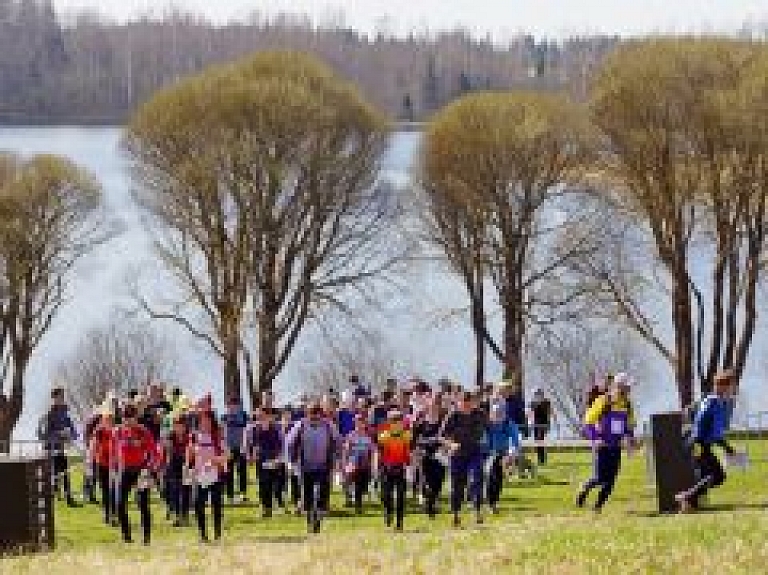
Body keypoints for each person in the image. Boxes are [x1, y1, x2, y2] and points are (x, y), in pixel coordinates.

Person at [676, 371, 737, 512]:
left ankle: (689, 501)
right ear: (724, 386)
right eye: (732, 386)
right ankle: (687, 498)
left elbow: (691, 416)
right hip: (699, 444)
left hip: (696, 442)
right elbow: (715, 433)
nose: (733, 390)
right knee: (714, 475)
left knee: (716, 476)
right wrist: (727, 448)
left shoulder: (707, 399)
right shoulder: (716, 403)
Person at [576, 376, 635, 513]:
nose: (628, 390)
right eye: (626, 387)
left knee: (611, 480)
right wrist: (595, 438)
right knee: (600, 477)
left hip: (616, 446)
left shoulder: (627, 404)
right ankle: (585, 488)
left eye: (629, 387)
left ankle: (597, 507)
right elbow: (588, 422)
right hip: (602, 446)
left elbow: (629, 426)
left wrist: (630, 441)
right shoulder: (603, 400)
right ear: (617, 386)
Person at [286, 401, 340, 534]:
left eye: (318, 416)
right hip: (305, 466)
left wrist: (337, 460)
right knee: (307, 496)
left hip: (324, 466)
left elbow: (338, 442)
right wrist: (290, 462)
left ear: (321, 415)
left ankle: (319, 517)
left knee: (323, 495)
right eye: (312, 416)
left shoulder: (328, 425)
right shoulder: (301, 425)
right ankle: (310, 520)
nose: (315, 419)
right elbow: (289, 443)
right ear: (307, 415)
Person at [440, 391, 489, 527]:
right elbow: (442, 436)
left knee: (477, 478)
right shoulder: (453, 416)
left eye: (470, 403)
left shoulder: (480, 414)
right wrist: (451, 444)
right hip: (458, 454)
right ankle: (456, 514)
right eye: (464, 403)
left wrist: (487, 442)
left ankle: (478, 512)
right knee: (458, 485)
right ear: (459, 403)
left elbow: (489, 429)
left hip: (475, 452)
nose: (467, 406)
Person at [112, 403, 157, 544]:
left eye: (131, 417)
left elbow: (154, 452)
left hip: (141, 470)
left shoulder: (144, 431)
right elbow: (114, 450)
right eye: (126, 417)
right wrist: (114, 465)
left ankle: (146, 538)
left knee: (143, 504)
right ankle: (127, 537)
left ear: (136, 417)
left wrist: (149, 468)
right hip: (124, 470)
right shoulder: (118, 432)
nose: (128, 420)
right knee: (120, 504)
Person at [188, 409, 228, 542]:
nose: (204, 423)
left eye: (207, 420)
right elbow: (189, 454)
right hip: (200, 475)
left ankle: (217, 533)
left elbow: (227, 455)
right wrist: (189, 465)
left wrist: (216, 460)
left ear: (212, 421)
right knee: (198, 503)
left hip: (215, 473)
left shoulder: (217, 436)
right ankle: (203, 535)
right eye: (202, 420)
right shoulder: (194, 436)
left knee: (216, 504)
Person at [37, 388, 79, 507]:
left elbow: (74, 432)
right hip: (50, 449)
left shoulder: (66, 414)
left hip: (61, 449)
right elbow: (43, 435)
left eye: (62, 396)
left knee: (65, 472)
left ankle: (68, 498)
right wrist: (59, 434)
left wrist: (71, 435)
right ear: (54, 398)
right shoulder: (49, 415)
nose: (61, 399)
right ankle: (52, 496)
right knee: (53, 474)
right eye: (59, 396)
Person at [245, 407, 283, 518]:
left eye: (262, 416)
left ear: (268, 416)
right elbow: (250, 444)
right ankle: (265, 508)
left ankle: (272, 506)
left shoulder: (275, 429)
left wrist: (278, 458)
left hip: (273, 459)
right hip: (261, 460)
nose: (260, 418)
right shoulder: (255, 429)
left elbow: (280, 444)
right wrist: (250, 455)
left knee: (273, 484)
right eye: (258, 416)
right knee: (263, 484)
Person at [377, 409, 412, 531]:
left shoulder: (406, 436)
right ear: (389, 422)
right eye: (394, 420)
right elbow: (380, 453)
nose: (397, 423)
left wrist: (408, 464)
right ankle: (388, 512)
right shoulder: (384, 436)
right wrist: (379, 467)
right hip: (387, 469)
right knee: (386, 495)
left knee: (401, 496)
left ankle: (399, 522)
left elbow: (407, 452)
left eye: (399, 420)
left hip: (401, 468)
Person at [413, 399, 445, 518]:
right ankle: (429, 507)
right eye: (431, 407)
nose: (433, 409)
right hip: (425, 456)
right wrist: (431, 440)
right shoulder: (421, 424)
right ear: (427, 408)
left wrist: (445, 446)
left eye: (435, 406)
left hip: (441, 457)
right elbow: (416, 441)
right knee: (428, 482)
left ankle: (431, 501)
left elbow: (448, 437)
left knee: (439, 482)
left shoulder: (443, 423)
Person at [486, 403, 520, 513]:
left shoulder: (509, 424)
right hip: (488, 454)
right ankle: (487, 501)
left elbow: (515, 440)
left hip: (503, 454)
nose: (498, 416)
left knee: (497, 479)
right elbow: (483, 438)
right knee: (490, 478)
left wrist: (511, 453)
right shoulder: (488, 425)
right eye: (495, 414)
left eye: (500, 413)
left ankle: (493, 503)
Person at [342, 413, 375, 515]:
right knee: (356, 485)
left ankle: (357, 501)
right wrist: (345, 463)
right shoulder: (351, 435)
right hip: (353, 463)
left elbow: (372, 450)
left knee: (362, 485)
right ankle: (357, 505)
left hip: (365, 464)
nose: (360, 424)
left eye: (362, 422)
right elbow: (346, 450)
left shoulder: (368, 436)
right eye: (358, 422)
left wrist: (372, 463)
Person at [90, 407, 116, 525]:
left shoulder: (116, 432)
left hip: (114, 464)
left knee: (113, 490)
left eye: (111, 420)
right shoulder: (99, 431)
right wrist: (91, 460)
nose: (109, 422)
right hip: (101, 463)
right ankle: (107, 514)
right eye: (107, 420)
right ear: (103, 421)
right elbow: (93, 446)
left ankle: (114, 514)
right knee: (105, 490)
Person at [221, 395, 249, 504]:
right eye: (229, 406)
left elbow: (248, 431)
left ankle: (242, 494)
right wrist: (224, 448)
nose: (232, 408)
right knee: (228, 472)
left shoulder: (244, 416)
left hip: (241, 447)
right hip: (228, 448)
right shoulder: (224, 417)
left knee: (242, 471)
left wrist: (245, 446)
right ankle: (230, 495)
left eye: (234, 406)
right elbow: (222, 434)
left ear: (239, 406)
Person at [166, 415, 192, 527]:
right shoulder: (170, 436)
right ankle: (177, 515)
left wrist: (188, 464)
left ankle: (185, 515)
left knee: (186, 490)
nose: (178, 428)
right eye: (176, 425)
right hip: (174, 464)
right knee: (174, 490)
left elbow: (191, 451)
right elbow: (169, 452)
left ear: (185, 426)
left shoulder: (189, 436)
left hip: (187, 463)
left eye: (180, 425)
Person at [530, 389, 552, 465]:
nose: (538, 395)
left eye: (539, 393)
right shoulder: (533, 402)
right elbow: (531, 413)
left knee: (541, 440)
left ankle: (542, 459)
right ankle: (539, 459)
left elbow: (549, 413)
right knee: (537, 441)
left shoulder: (546, 402)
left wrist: (548, 424)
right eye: (536, 394)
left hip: (543, 424)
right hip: (536, 424)